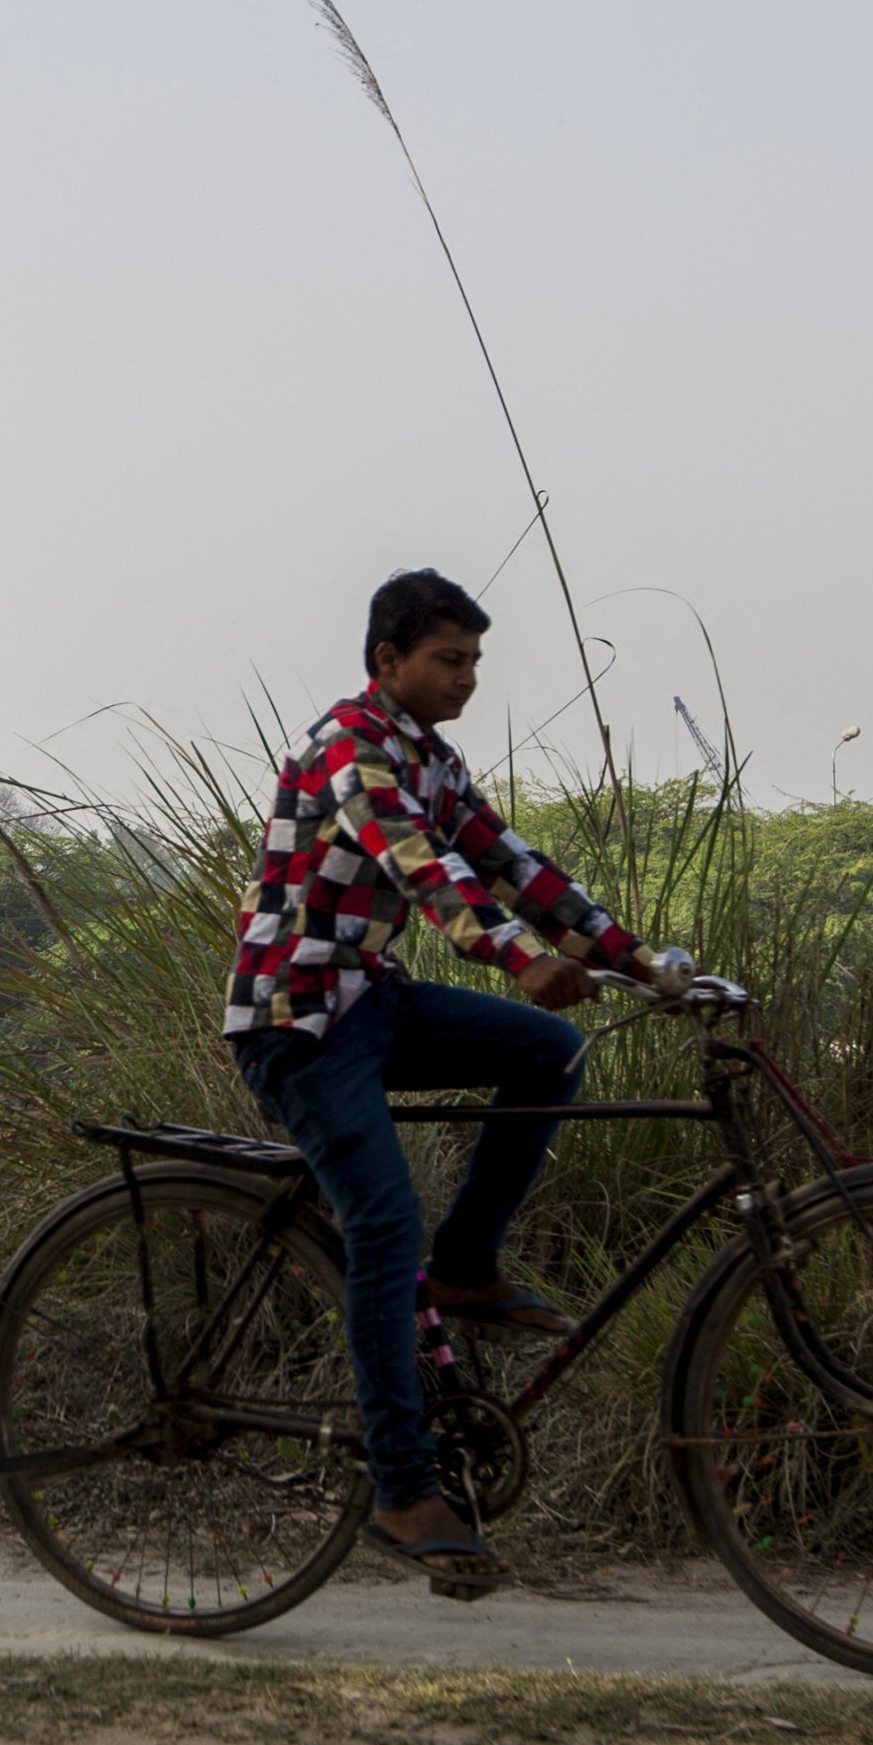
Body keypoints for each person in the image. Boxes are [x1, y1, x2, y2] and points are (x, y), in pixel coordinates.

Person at [226, 566, 660, 1594]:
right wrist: (521, 959)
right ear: (388, 662)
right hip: (299, 1020)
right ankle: (401, 1482)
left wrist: (636, 957)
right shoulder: (350, 749)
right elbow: (428, 872)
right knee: (381, 1229)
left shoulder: (432, 758)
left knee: (547, 1051)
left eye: (473, 661)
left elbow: (511, 861)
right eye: (447, 660)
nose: (466, 678)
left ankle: (467, 1266)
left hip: (369, 1000)